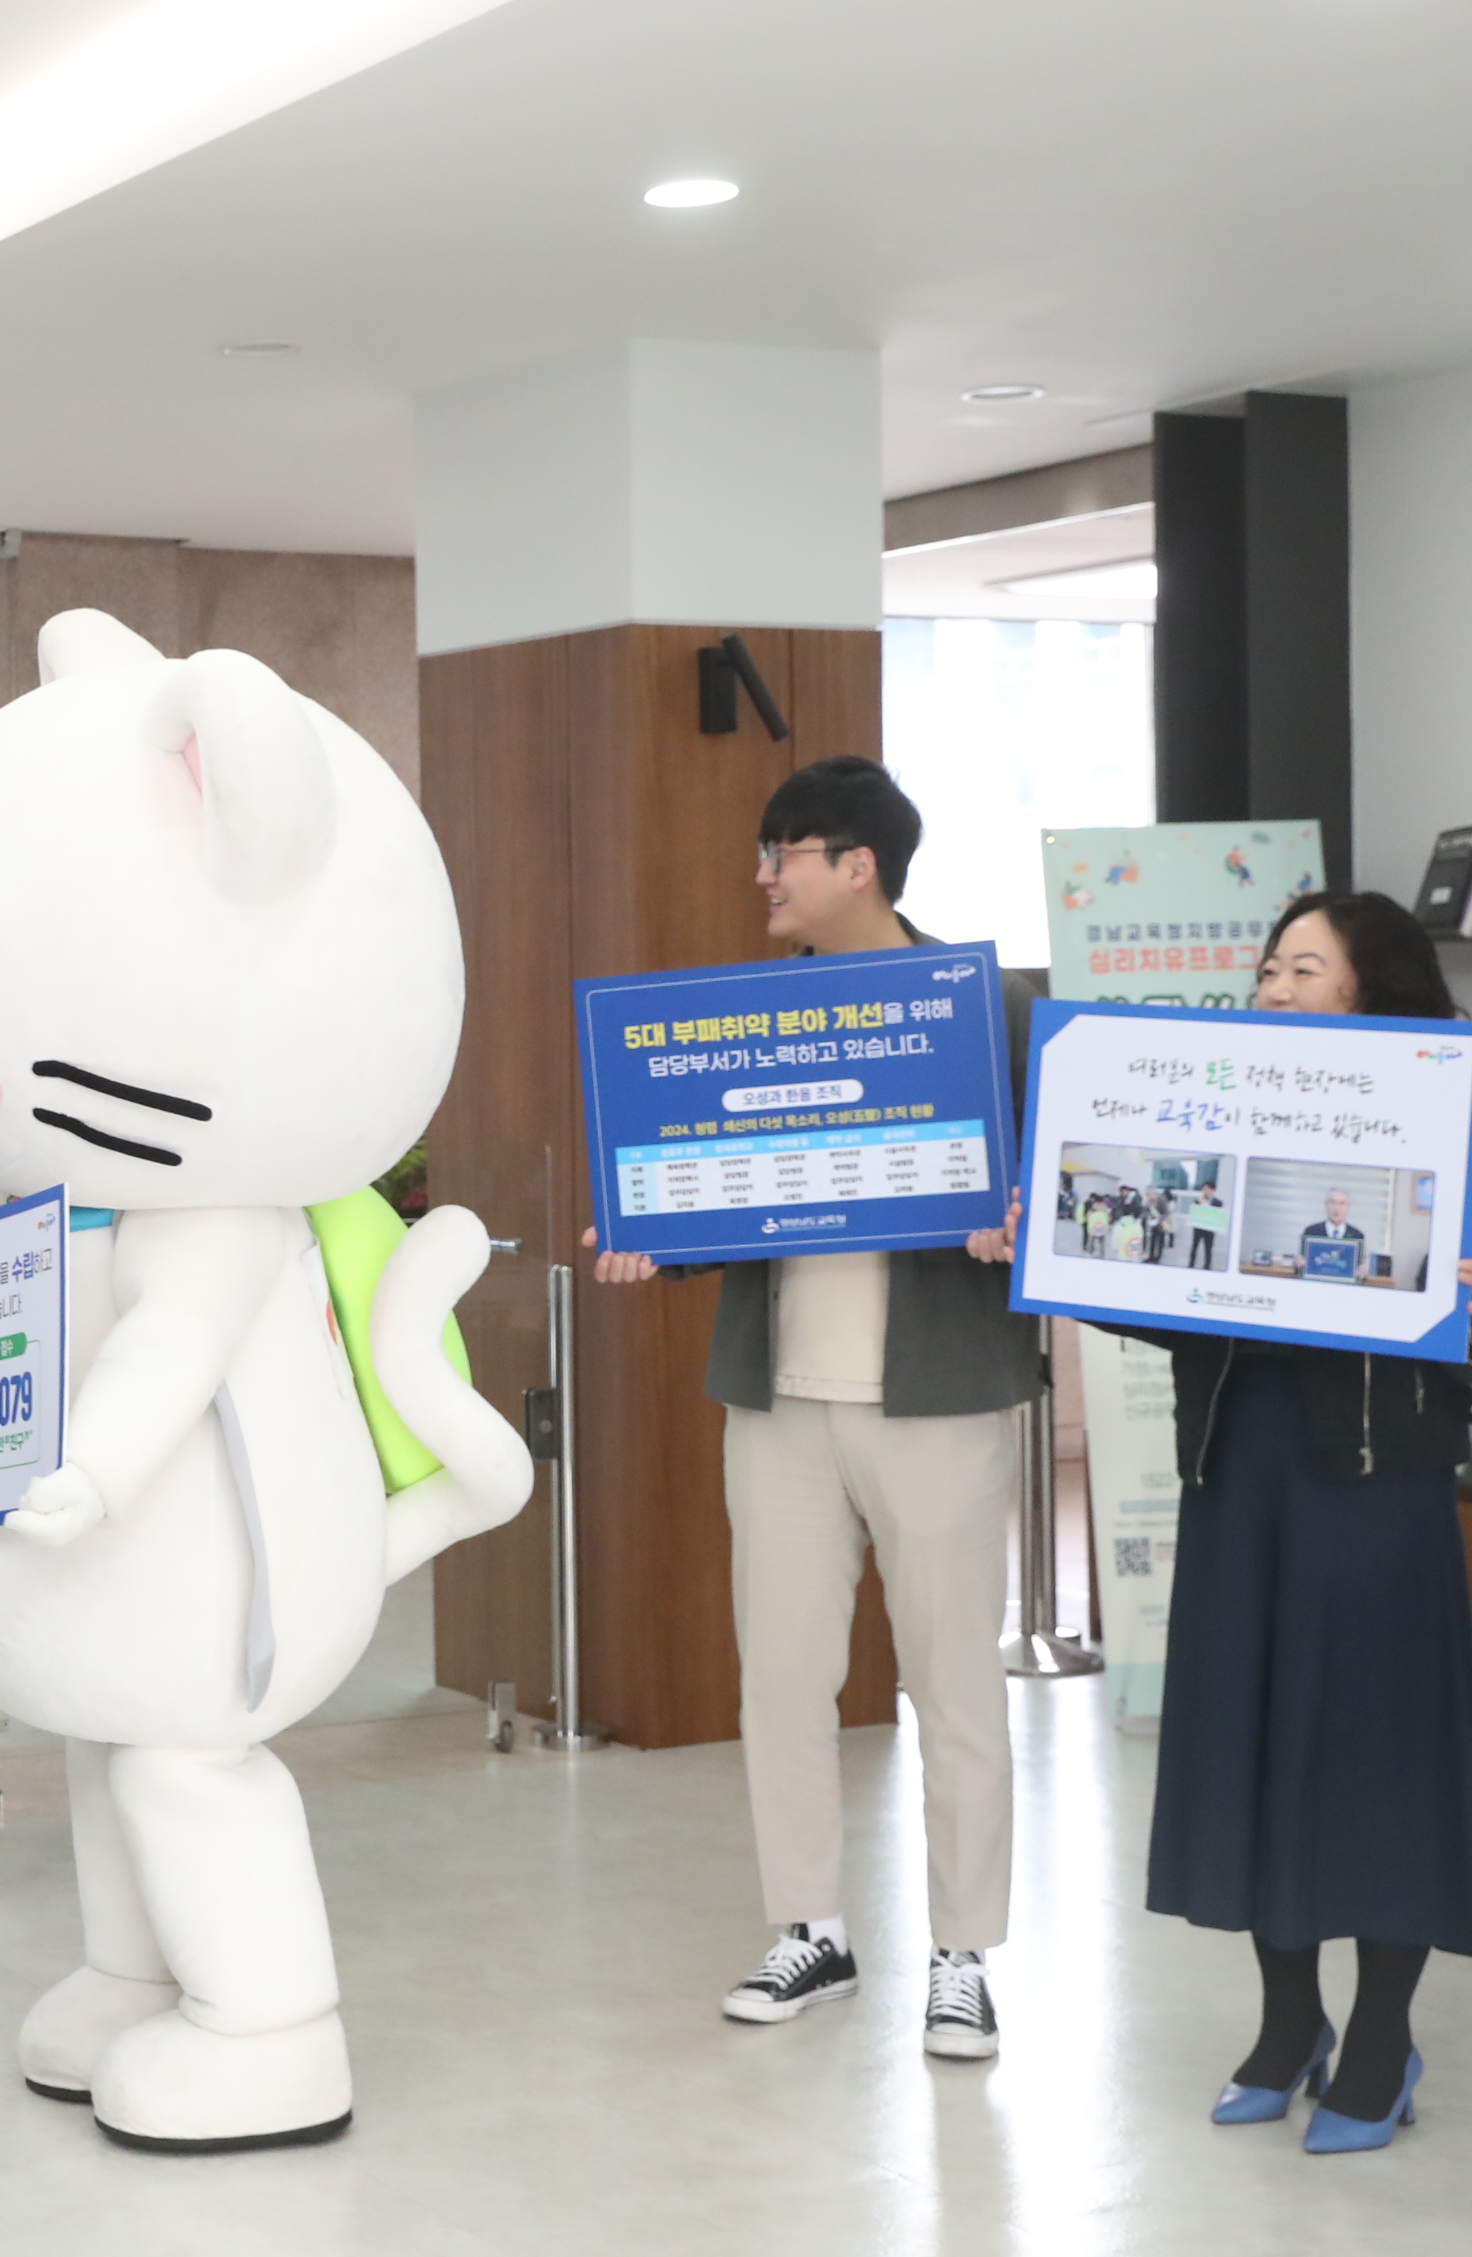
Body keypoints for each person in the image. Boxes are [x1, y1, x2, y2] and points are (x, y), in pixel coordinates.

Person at [582, 758, 1039, 2062]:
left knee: (955, 1682)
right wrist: (646, 1240)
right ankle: (809, 1933)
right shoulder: (746, 1023)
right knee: (780, 1680)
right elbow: (711, 1192)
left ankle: (964, 1955)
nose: (766, 877)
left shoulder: (985, 1009)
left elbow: (1060, 1196)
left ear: (863, 869)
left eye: (789, 852)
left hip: (941, 1397)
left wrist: (1017, 1230)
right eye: (765, 852)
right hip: (777, 1403)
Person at [1099, 893, 1472, 2154]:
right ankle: (1290, 2024)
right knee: (1256, 1745)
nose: (1274, 985)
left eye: (1303, 967)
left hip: (1378, 1491)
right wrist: (1072, 1257)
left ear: (1369, 989)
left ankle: (1380, 2034)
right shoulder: (1211, 1121)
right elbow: (1174, 1297)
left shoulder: (1448, 1124)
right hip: (1244, 1474)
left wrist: (1449, 1299)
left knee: (1376, 1763)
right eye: (1268, 966)